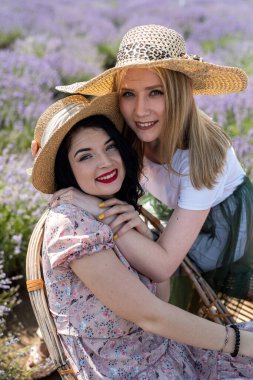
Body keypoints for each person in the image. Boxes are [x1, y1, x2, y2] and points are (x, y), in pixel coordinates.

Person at [31, 92, 253, 379]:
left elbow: (161, 293)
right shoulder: (71, 226)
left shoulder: (108, 209)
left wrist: (142, 236)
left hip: (167, 352)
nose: (106, 162)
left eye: (111, 147)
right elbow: (152, 315)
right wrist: (240, 343)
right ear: (66, 169)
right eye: (85, 156)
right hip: (134, 371)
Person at [36, 24, 252, 301]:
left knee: (157, 286)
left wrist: (98, 209)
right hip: (168, 213)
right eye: (128, 94)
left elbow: (162, 266)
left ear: (179, 93)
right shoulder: (129, 135)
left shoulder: (206, 154)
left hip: (218, 232)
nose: (140, 110)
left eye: (156, 92)